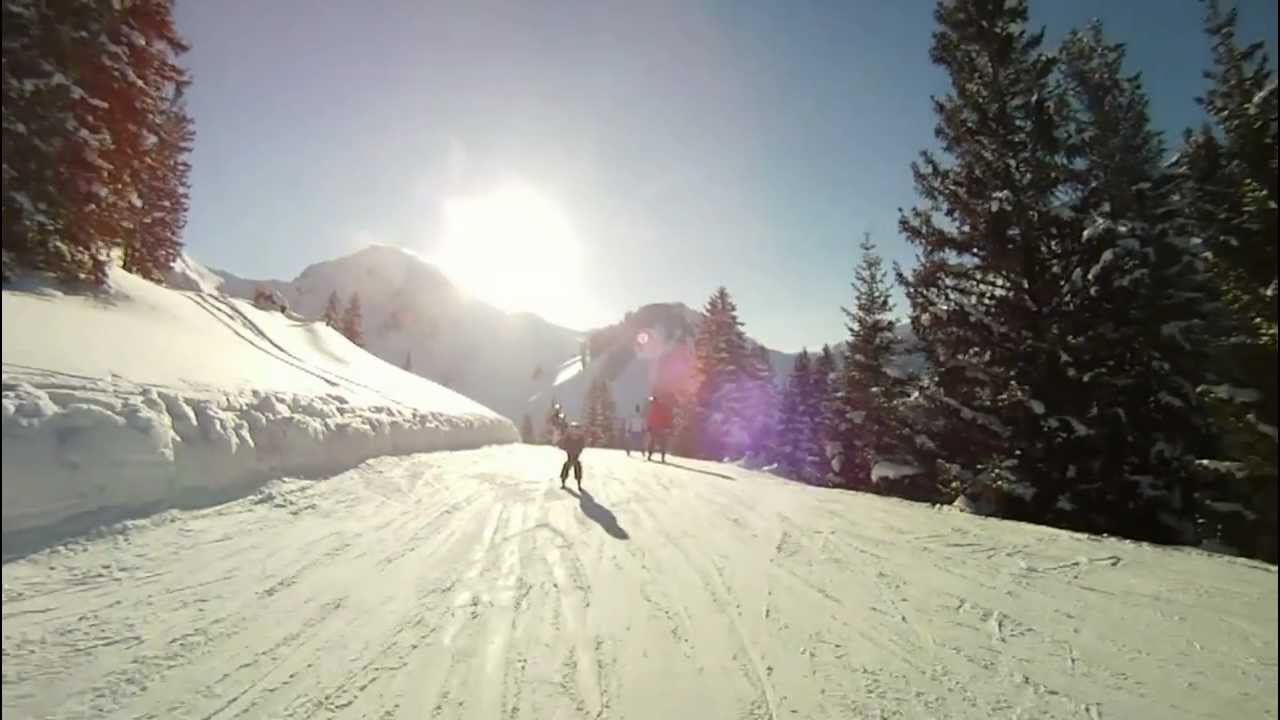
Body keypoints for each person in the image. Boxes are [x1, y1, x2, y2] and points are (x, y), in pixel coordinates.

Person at [559, 421, 586, 490]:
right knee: (574, 465)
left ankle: (564, 481)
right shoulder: (578, 436)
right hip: (573, 452)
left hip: (572, 452)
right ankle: (577, 483)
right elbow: (582, 445)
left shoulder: (575, 436)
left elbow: (582, 445)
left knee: (569, 465)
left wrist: (565, 448)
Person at [646, 394, 673, 463]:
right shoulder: (663, 407)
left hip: (655, 428)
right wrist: (668, 426)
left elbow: (650, 418)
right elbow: (667, 417)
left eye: (651, 401)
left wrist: (649, 427)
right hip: (662, 428)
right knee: (663, 443)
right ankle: (662, 458)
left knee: (652, 442)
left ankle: (649, 456)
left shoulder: (653, 408)